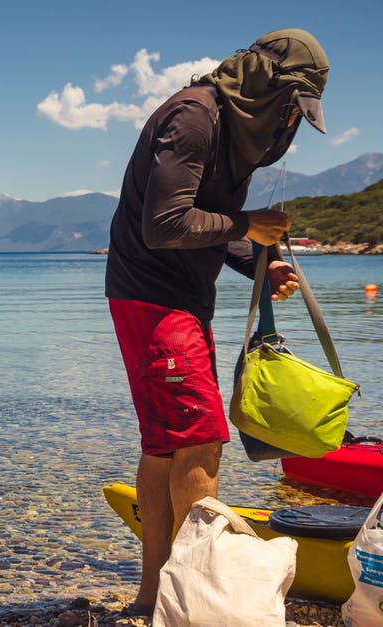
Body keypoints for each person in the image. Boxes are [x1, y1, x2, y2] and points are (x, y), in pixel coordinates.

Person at [104, 28, 329, 615]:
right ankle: (197, 602)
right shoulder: (195, 118)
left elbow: (215, 224)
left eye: (298, 115)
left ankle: (155, 599)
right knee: (201, 439)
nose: (290, 125)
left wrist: (257, 261)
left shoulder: (233, 130)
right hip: (153, 297)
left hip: (174, 298)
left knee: (164, 447)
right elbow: (166, 225)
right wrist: (248, 226)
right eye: (290, 108)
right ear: (264, 85)